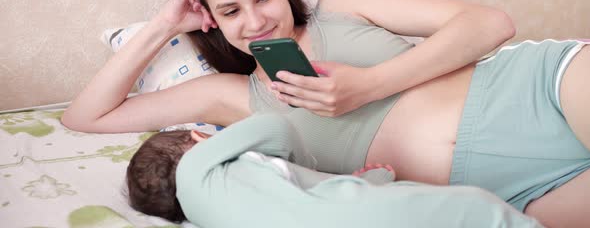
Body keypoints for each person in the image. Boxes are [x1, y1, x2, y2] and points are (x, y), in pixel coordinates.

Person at [61, 0, 590, 227]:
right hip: (516, 195)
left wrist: (368, 85)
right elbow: (84, 117)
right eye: (230, 11)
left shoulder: (341, 3)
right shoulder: (229, 96)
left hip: (541, 88)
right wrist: (163, 24)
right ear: (212, 20)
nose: (256, 20)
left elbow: (490, 24)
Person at [126, 112, 542, 227]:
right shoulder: (201, 162)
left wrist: (370, 180)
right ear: (196, 141)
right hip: (355, 215)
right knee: (477, 207)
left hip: (343, 209)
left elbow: (302, 195)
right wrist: (299, 158)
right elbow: (276, 127)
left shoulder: (205, 212)